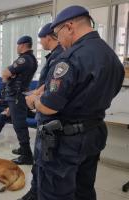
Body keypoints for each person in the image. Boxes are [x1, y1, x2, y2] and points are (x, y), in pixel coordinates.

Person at [25, 6, 124, 200]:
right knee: (84, 189)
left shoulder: (69, 58)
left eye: (57, 33)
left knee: (54, 192)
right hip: (94, 132)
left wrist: (33, 100)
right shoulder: (112, 57)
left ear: (69, 27)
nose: (58, 40)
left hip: (65, 140)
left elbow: (49, 106)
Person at [18, 23, 64, 200]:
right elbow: (47, 83)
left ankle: (37, 193)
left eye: (41, 39)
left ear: (48, 37)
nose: (41, 43)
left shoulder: (60, 56)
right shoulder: (54, 56)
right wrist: (36, 92)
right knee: (39, 159)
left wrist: (35, 98)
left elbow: (55, 86)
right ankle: (35, 191)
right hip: (42, 108)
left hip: (47, 114)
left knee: (41, 158)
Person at [6, 36, 38, 165]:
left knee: (19, 125)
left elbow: (6, 73)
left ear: (23, 45)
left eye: (18, 45)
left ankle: (27, 155)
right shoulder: (31, 59)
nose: (17, 47)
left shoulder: (24, 59)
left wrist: (8, 75)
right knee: (19, 124)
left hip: (17, 96)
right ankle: (23, 148)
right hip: (19, 95)